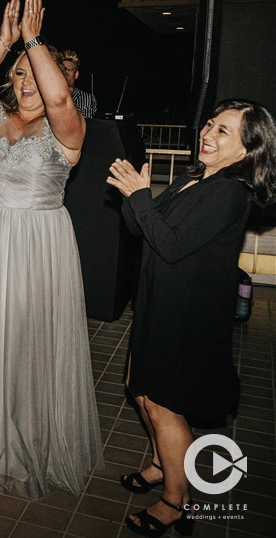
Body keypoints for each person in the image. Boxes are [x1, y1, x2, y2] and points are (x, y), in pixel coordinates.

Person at [0, 0, 102, 498]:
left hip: (35, 246)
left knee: (27, 338)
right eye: (20, 73)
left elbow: (57, 99)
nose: (26, 79)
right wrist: (6, 41)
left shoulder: (66, 129)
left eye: (36, 70)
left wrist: (32, 41)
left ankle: (27, 432)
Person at [108, 99, 276, 537]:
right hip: (158, 301)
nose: (208, 133)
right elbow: (141, 228)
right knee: (139, 391)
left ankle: (175, 503)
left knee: (164, 405)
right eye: (210, 124)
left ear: (248, 149)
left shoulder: (228, 192)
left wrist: (141, 198)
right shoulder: (196, 176)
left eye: (224, 131)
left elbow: (172, 245)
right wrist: (134, 197)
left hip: (186, 314)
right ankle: (164, 465)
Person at [62, 49, 98, 118]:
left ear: (76, 74)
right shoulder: (50, 95)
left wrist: (69, 98)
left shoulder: (87, 98)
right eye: (62, 70)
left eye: (68, 70)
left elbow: (88, 123)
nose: (64, 73)